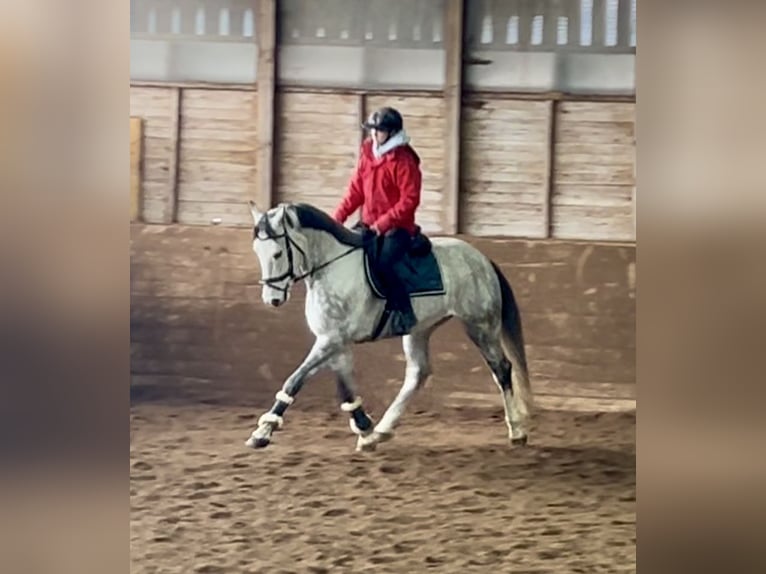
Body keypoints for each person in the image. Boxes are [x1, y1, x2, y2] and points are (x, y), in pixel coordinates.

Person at [333, 106, 422, 336]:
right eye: (372, 130)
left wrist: (382, 224)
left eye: (379, 131)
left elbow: (409, 200)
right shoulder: (367, 153)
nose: (374, 135)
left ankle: (403, 312)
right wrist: (336, 219)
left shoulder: (404, 161)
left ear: (392, 133)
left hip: (397, 228)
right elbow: (356, 191)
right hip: (370, 225)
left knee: (384, 264)